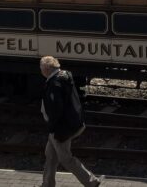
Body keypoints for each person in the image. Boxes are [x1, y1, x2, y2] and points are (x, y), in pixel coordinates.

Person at [39, 56, 101, 187]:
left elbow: (56, 110)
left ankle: (91, 181)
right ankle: (47, 184)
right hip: (68, 124)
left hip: (61, 128)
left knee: (65, 158)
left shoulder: (55, 84)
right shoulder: (64, 76)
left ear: (47, 69)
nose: (40, 70)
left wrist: (52, 126)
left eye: (41, 67)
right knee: (50, 156)